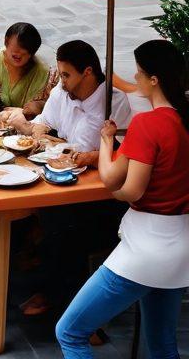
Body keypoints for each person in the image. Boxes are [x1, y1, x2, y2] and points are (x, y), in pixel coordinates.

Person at [56, 39, 189, 359]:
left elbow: (124, 186)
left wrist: (105, 142)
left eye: (140, 74)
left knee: (70, 332)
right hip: (181, 246)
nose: (136, 79)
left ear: (154, 80)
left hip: (146, 247)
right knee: (161, 345)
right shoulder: (182, 120)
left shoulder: (149, 124)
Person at [5, 40, 133, 317]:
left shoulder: (114, 102)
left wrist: (91, 156)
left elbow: (124, 153)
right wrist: (36, 133)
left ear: (87, 72)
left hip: (102, 196)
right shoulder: (62, 93)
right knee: (29, 214)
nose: (61, 81)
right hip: (59, 179)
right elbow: (43, 122)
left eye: (66, 74)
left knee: (61, 227)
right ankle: (24, 280)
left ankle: (69, 307)